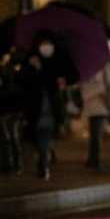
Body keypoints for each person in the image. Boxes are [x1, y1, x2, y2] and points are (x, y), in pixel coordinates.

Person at [16, 33, 72, 180]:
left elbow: (62, 80)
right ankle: (44, 158)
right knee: (36, 139)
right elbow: (22, 82)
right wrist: (33, 68)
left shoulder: (57, 61)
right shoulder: (30, 60)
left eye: (49, 43)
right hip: (34, 110)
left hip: (51, 110)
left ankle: (44, 163)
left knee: (45, 137)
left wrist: (46, 72)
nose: (46, 47)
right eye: (43, 44)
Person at [81, 62, 110, 170]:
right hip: (99, 102)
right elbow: (109, 84)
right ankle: (95, 161)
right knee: (96, 135)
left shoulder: (85, 66)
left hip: (90, 102)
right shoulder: (103, 65)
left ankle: (91, 160)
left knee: (94, 134)